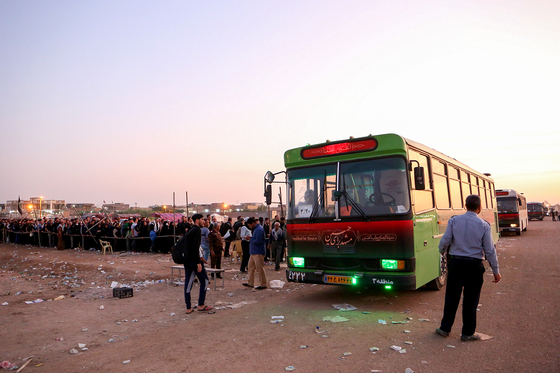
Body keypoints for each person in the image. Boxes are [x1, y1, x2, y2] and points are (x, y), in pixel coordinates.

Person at [435, 194, 501, 341]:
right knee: (471, 300)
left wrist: (442, 251)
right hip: (474, 266)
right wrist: (496, 271)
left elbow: (445, 240)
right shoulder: (484, 225)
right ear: (479, 208)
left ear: (465, 206)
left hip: (456, 264)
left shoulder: (454, 221)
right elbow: (490, 250)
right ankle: (467, 333)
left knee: (451, 297)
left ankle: (445, 328)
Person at [183, 214, 213, 314]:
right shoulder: (196, 230)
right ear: (197, 220)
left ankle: (188, 307)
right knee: (204, 280)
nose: (203, 221)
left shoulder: (190, 230)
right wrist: (198, 263)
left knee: (188, 283)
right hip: (194, 261)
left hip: (187, 260)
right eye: (201, 219)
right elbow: (195, 248)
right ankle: (201, 304)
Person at [242, 217, 268, 289]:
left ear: (253, 223)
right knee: (250, 267)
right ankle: (250, 282)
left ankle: (263, 284)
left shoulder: (259, 230)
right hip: (253, 252)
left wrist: (250, 239)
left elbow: (258, 241)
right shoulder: (256, 229)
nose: (249, 227)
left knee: (259, 269)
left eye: (250, 225)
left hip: (258, 252)